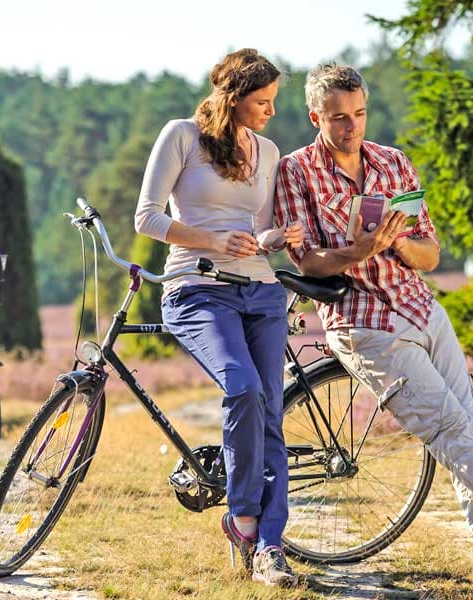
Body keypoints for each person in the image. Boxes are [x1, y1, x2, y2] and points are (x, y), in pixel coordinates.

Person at [273, 63, 473, 584]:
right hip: (361, 320)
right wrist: (356, 250)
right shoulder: (295, 171)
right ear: (315, 117)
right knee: (449, 426)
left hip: (421, 308)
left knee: (468, 425)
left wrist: (395, 240)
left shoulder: (394, 163)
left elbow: (430, 254)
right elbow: (306, 263)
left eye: (359, 114)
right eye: (338, 119)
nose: (352, 127)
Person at [134, 48, 303, 587]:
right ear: (233, 98)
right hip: (197, 289)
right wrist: (211, 240)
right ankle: (244, 520)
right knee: (243, 387)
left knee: (271, 411)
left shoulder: (268, 150)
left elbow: (261, 228)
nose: (271, 111)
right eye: (262, 101)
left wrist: (279, 238)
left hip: (261, 290)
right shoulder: (182, 135)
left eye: (274, 101)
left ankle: (269, 546)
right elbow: (147, 218)